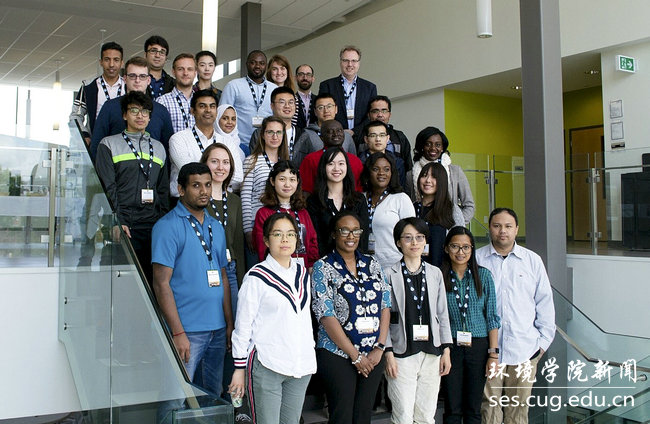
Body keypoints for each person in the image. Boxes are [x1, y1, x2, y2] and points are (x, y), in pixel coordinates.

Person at [152, 162, 233, 422]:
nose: (204, 191)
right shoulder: (167, 226)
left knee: (213, 397)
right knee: (175, 399)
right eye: (196, 185)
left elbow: (223, 277)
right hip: (187, 331)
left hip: (217, 330)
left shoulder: (216, 226)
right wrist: (177, 332)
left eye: (207, 185)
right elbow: (161, 283)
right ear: (181, 189)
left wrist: (229, 324)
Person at [230, 213, 316, 424]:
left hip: (300, 365)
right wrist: (239, 369)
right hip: (267, 364)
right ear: (266, 240)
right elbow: (243, 326)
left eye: (290, 234)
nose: (285, 239)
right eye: (277, 234)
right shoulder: (256, 277)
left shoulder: (302, 273)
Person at [476, 208, 555, 424]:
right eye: (497, 226)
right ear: (489, 228)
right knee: (489, 410)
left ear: (516, 229)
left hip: (524, 349)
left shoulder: (532, 261)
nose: (502, 231)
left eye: (508, 226)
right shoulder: (477, 259)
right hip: (488, 351)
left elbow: (545, 303)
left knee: (518, 413)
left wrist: (541, 345)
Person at [311, 211, 391, 424]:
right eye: (344, 230)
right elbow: (326, 315)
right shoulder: (322, 267)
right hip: (337, 354)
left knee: (363, 416)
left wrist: (380, 347)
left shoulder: (372, 263)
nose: (351, 236)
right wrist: (355, 356)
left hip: (373, 354)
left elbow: (385, 305)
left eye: (356, 231)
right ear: (333, 234)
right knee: (342, 416)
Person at [95, 91, 169, 282]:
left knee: (151, 281)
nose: (140, 115)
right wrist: (117, 221)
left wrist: (162, 225)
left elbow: (162, 191)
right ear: (124, 115)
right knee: (120, 281)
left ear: (150, 117)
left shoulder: (159, 148)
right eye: (134, 110)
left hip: (152, 226)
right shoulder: (109, 144)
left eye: (145, 111)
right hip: (124, 224)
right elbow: (108, 188)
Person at [384, 217, 453, 424]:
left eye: (419, 237)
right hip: (401, 352)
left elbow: (442, 314)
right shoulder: (388, 274)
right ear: (398, 242)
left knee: (426, 415)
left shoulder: (434, 273)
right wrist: (388, 352)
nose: (414, 243)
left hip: (432, 351)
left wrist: (446, 349)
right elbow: (384, 317)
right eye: (408, 238)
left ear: (425, 241)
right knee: (403, 415)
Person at [440, 226, 500, 424]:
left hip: (479, 346)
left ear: (472, 249)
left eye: (466, 247)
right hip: (450, 346)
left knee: (473, 408)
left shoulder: (483, 276)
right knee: (452, 407)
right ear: (446, 248)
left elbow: (492, 317)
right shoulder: (439, 276)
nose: (461, 252)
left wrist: (493, 355)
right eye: (455, 246)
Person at [90, 56, 174, 160]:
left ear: (148, 80)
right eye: (132, 76)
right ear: (125, 79)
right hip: (115, 169)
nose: (137, 80)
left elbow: (167, 150)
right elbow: (96, 146)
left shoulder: (161, 111)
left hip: (152, 169)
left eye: (142, 76)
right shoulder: (109, 107)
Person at [168, 90, 243, 200]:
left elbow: (238, 176)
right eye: (202, 106)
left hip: (220, 200)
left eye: (212, 106)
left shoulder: (227, 142)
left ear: (216, 111)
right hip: (187, 201)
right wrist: (220, 174)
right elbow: (191, 173)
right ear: (192, 111)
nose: (208, 110)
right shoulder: (179, 139)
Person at [241, 117, 290, 267]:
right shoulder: (252, 161)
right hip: (257, 224)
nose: (275, 136)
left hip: (282, 224)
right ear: (262, 134)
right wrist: (248, 229)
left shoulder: (287, 162)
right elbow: (245, 197)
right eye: (270, 132)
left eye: (278, 132)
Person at [252, 161, 318, 269]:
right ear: (272, 181)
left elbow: (312, 243)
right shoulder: (264, 213)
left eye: (292, 180)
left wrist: (311, 267)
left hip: (303, 271)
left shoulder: (303, 213)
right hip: (275, 270)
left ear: (297, 182)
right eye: (282, 179)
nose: (287, 184)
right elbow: (262, 248)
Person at [307, 146, 370, 256]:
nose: (336, 168)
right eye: (331, 164)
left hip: (355, 261)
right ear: (323, 167)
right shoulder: (314, 201)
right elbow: (315, 239)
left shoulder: (358, 199)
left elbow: (363, 236)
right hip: (325, 261)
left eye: (341, 163)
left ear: (347, 167)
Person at [360, 152, 415, 270]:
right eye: (376, 169)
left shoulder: (401, 198)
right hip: (364, 264)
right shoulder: (360, 198)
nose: (381, 173)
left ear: (392, 173)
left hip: (394, 265)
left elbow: (410, 235)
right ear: (368, 172)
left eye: (386, 169)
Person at [411, 127, 475, 225]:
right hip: (419, 226)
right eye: (428, 144)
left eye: (438, 145)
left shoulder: (455, 171)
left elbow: (469, 206)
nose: (433, 148)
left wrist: (454, 224)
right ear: (422, 146)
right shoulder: (410, 174)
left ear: (442, 148)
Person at [221, 50, 278, 152]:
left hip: (266, 146)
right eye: (253, 62)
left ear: (266, 66)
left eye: (262, 63)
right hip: (239, 145)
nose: (257, 66)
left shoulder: (274, 89)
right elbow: (222, 116)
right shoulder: (233, 86)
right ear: (247, 64)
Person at [70, 41, 124, 144]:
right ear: (101, 62)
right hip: (96, 144)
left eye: (116, 60)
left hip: (123, 145)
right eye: (107, 59)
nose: (111, 64)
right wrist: (84, 135)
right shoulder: (89, 87)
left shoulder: (129, 87)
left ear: (122, 63)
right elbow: (75, 115)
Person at [414, 162, 464, 267]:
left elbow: (460, 242)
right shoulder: (412, 208)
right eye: (424, 175)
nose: (428, 180)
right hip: (415, 269)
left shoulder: (451, 210)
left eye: (434, 177)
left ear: (442, 181)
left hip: (443, 270)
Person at [318, 46, 377, 132]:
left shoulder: (370, 88)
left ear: (359, 63)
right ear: (340, 62)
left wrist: (354, 132)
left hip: (362, 135)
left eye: (354, 61)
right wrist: (340, 131)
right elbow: (323, 113)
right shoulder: (327, 86)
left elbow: (372, 114)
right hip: (334, 135)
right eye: (346, 60)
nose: (350, 64)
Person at [292, 93, 357, 166]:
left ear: (336, 109)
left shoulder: (346, 136)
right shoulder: (307, 134)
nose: (326, 111)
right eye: (321, 107)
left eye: (329, 106)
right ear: (315, 112)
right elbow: (297, 163)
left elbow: (353, 163)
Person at [299, 119, 363, 194]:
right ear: (321, 137)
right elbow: (305, 190)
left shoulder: (355, 160)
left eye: (339, 131)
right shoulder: (310, 159)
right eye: (330, 132)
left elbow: (359, 190)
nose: (335, 134)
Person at [354, 95, 413, 173]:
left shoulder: (399, 136)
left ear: (389, 114)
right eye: (375, 111)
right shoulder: (359, 137)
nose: (380, 115)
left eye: (384, 111)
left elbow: (408, 166)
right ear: (368, 115)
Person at [248, 87, 302, 160]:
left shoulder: (304, 135)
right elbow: (254, 160)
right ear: (272, 106)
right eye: (282, 102)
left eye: (291, 102)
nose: (287, 106)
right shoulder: (259, 134)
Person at [359, 120, 407, 193]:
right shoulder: (358, 162)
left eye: (382, 135)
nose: (378, 139)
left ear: (387, 138)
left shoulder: (398, 163)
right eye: (373, 135)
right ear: (366, 139)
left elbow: (400, 188)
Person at [156, 53, 197, 134]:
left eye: (189, 69)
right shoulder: (162, 102)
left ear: (195, 73)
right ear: (173, 72)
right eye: (180, 69)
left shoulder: (202, 102)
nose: (185, 73)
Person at [215, 104, 247, 180]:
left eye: (233, 119)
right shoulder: (212, 143)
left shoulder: (243, 148)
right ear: (217, 119)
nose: (230, 122)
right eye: (225, 118)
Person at [145, 35, 174, 99]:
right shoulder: (137, 79)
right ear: (145, 55)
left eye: (162, 52)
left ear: (166, 57)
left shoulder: (173, 84)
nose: (157, 55)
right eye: (153, 51)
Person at [295, 64, 317, 129]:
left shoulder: (317, 100)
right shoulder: (291, 100)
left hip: (314, 134)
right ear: (296, 78)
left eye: (308, 75)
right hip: (296, 134)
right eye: (301, 74)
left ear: (313, 79)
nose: (305, 78)